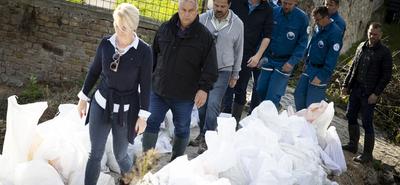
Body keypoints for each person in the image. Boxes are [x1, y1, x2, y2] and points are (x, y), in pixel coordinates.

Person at [76, 3, 152, 185]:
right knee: (95, 154)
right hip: (101, 104)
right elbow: (94, 71)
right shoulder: (106, 44)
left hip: (126, 110)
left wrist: (143, 116)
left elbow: (146, 86)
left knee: (120, 155)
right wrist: (83, 98)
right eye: (116, 25)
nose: (119, 31)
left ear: (134, 27)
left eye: (124, 28)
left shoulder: (144, 51)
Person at [142, 0, 218, 161]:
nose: (187, 14)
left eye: (191, 10)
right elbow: (152, 56)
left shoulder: (204, 37)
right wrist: (147, 80)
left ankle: (176, 161)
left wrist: (204, 89)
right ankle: (145, 162)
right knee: (151, 122)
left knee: (182, 128)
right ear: (178, 9)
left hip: (184, 94)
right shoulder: (165, 29)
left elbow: (211, 68)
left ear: (197, 12)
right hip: (159, 90)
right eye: (183, 10)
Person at [190, 0, 244, 154]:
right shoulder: (203, 19)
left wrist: (236, 73)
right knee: (201, 104)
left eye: (223, 6)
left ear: (229, 5)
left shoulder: (238, 24)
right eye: (216, 6)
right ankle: (202, 133)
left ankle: (208, 138)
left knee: (213, 103)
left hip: (223, 70)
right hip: (203, 69)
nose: (219, 9)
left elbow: (239, 50)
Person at [341, 22, 393, 163]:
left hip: (369, 93)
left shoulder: (385, 52)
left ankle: (367, 154)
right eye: (371, 33)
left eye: (375, 34)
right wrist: (346, 85)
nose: (372, 36)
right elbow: (353, 68)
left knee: (367, 122)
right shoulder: (361, 46)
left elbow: (386, 76)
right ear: (367, 32)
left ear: (380, 35)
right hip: (356, 89)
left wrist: (376, 94)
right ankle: (353, 145)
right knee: (350, 114)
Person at [222, 0, 273, 124]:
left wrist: (257, 56)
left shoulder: (267, 9)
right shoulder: (236, 2)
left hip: (248, 55)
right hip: (229, 51)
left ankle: (234, 123)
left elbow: (267, 36)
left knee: (240, 88)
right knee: (226, 88)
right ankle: (223, 122)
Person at [256, 0, 309, 109]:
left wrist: (292, 62)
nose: (287, 6)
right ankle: (270, 110)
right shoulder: (273, 12)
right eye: (285, 3)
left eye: (290, 4)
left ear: (296, 3)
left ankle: (270, 115)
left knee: (272, 95)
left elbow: (302, 43)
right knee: (260, 89)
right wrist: (259, 55)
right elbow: (263, 35)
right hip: (268, 58)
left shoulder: (302, 18)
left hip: (285, 62)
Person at [294, 6, 342, 111]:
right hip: (309, 67)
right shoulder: (318, 27)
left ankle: (311, 125)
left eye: (318, 19)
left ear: (326, 17)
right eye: (314, 19)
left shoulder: (335, 33)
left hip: (320, 71)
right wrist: (306, 60)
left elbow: (332, 58)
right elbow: (311, 43)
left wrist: (321, 76)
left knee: (312, 105)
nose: (315, 22)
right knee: (299, 95)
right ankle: (301, 121)